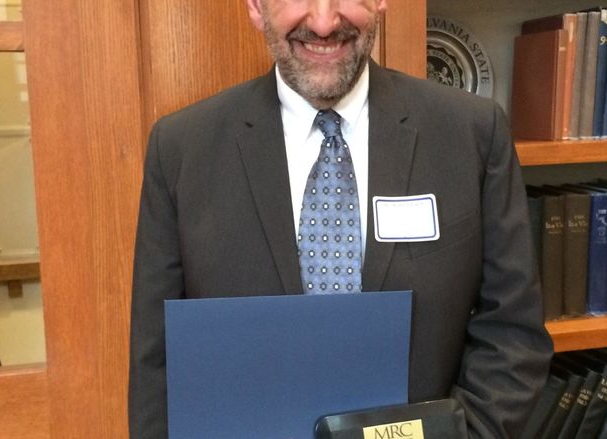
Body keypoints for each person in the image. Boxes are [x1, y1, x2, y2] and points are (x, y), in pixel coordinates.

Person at [129, 0, 553, 438]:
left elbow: (512, 336)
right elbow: (157, 364)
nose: (325, 21)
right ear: (256, 6)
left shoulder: (472, 133)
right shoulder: (181, 149)